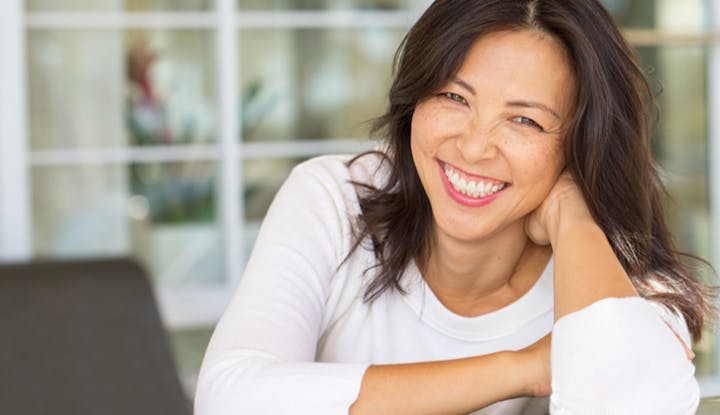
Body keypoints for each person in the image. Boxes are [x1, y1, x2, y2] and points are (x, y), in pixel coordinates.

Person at [194, 0, 716, 413]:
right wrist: (524, 368)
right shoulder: (336, 196)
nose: (473, 146)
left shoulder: (612, 274)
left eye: (525, 121)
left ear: (581, 147)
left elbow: (626, 404)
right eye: (453, 98)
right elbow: (230, 399)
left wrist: (571, 213)